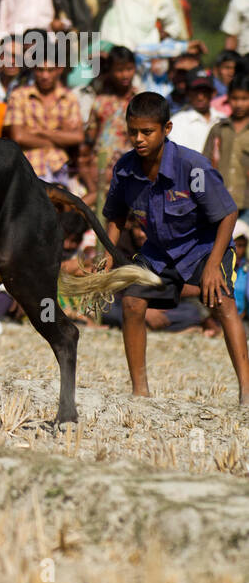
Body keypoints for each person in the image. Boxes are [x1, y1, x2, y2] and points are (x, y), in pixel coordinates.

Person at [101, 92, 249, 404]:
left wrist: (211, 266)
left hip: (204, 246)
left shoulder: (192, 168)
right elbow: (115, 214)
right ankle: (140, 392)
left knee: (222, 302)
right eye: (133, 132)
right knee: (131, 302)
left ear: (166, 128)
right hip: (159, 251)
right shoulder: (125, 169)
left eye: (147, 132)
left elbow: (227, 214)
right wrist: (106, 252)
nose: (138, 139)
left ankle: (246, 391)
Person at [5, 30, 82, 184]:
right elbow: (18, 137)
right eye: (40, 70)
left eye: (50, 70)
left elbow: (77, 137)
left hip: (59, 168)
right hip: (28, 167)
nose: (45, 76)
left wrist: (39, 132)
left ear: (59, 69)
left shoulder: (69, 98)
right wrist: (59, 138)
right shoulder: (19, 96)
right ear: (34, 69)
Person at [80, 47, 138, 214]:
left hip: (129, 171)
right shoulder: (101, 102)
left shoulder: (140, 101)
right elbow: (89, 139)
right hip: (99, 170)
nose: (125, 75)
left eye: (129, 69)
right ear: (111, 71)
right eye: (119, 70)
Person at [203, 73, 249, 214]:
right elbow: (205, 163)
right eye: (235, 98)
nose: (239, 104)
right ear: (228, 98)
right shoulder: (219, 129)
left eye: (244, 99)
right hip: (221, 202)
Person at [168, 69, 218, 153]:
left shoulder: (223, 119)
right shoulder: (178, 122)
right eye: (196, 91)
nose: (200, 97)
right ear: (187, 93)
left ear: (213, 93)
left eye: (205, 91)